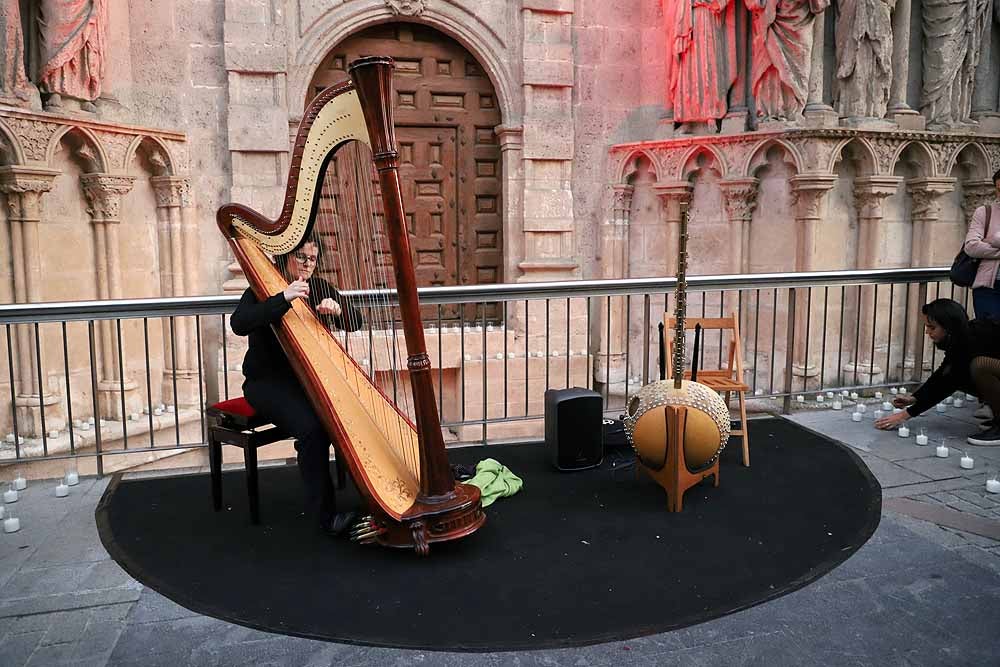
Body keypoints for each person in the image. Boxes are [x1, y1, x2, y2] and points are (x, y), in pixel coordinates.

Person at [230, 237, 364, 536]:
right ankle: (325, 517)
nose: (307, 264)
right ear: (284, 257)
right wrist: (283, 298)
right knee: (313, 429)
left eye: (313, 259)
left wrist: (339, 311)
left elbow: (357, 321)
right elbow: (239, 324)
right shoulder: (260, 288)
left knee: (354, 413)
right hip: (267, 384)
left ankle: (376, 490)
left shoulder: (321, 287)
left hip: (309, 381)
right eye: (301, 257)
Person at [875, 299, 1000, 446]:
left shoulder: (975, 337)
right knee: (961, 374)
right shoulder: (960, 338)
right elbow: (944, 374)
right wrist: (915, 398)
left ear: (948, 327)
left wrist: (905, 415)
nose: (927, 332)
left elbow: (950, 382)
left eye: (932, 327)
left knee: (980, 366)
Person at [964, 168, 1000, 320]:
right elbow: (971, 247)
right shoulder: (984, 212)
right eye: (999, 189)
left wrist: (994, 239)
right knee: (987, 338)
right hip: (988, 289)